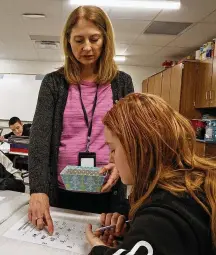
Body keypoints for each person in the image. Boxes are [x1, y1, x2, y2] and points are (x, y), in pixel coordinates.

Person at [28, 5, 134, 234]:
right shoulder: (53, 83)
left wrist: (120, 164)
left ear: (106, 40)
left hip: (108, 191)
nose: (87, 47)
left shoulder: (122, 82)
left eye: (94, 39)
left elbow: (129, 137)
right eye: (79, 40)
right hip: (61, 191)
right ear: (68, 42)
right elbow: (39, 140)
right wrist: (38, 190)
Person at [85, 93, 216, 255]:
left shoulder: (164, 214)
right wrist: (133, 230)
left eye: (113, 149)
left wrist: (98, 248)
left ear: (141, 147)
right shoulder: (191, 183)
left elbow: (160, 231)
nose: (110, 158)